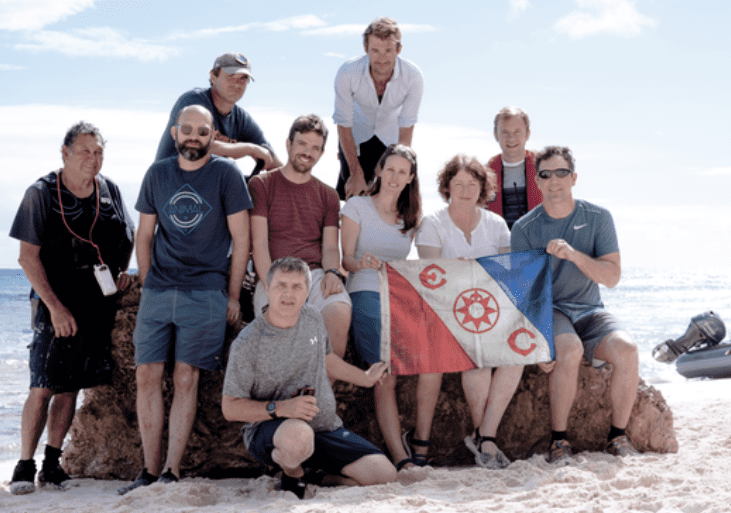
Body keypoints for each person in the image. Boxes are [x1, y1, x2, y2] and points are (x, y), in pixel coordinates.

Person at [119, 105, 253, 494]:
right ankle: (147, 469)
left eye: (202, 130)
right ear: (175, 132)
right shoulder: (158, 174)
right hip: (159, 288)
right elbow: (144, 235)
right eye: (187, 130)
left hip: (206, 289)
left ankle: (171, 471)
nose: (194, 137)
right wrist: (146, 285)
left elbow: (241, 239)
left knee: (185, 376)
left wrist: (231, 294)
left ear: (214, 135)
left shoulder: (227, 176)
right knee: (146, 375)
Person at [7, 122, 134, 494]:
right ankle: (24, 465)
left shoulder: (110, 190)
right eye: (84, 152)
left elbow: (125, 236)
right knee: (43, 385)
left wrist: (122, 271)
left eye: (98, 152)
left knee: (70, 388)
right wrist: (56, 308)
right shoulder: (41, 193)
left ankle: (52, 463)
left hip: (97, 303)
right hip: (55, 303)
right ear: (64, 153)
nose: (92, 159)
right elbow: (27, 258)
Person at [222, 257, 396, 499]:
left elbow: (328, 359)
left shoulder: (313, 317)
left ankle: (314, 475)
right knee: (298, 437)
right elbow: (230, 408)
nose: (288, 294)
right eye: (281, 285)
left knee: (384, 474)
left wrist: (365, 378)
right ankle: (292, 474)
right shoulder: (248, 343)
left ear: (307, 291)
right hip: (275, 431)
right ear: (268, 289)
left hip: (324, 427)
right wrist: (282, 408)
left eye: (297, 287)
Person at [510, 146, 640, 464]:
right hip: (552, 310)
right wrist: (539, 344)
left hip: (591, 309)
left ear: (574, 178)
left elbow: (612, 277)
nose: (554, 180)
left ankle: (617, 436)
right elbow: (524, 295)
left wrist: (574, 255)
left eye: (561, 173)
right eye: (545, 174)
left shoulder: (598, 218)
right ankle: (559, 442)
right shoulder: (524, 229)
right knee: (569, 350)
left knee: (627, 349)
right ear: (537, 182)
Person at [414, 155, 517, 469]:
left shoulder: (496, 224)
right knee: (478, 362)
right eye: (457, 183)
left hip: (489, 310)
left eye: (472, 184)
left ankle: (484, 434)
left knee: (517, 357)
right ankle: (486, 442)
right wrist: (458, 274)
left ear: (483, 187)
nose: (465, 190)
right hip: (446, 309)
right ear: (446, 187)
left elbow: (506, 273)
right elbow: (428, 275)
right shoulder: (432, 223)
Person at [340, 144, 431, 470]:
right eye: (389, 169)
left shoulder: (412, 218)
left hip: (400, 298)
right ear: (379, 170)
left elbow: (426, 263)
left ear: (410, 178)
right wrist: (360, 262)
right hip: (365, 292)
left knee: (432, 356)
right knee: (385, 373)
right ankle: (401, 456)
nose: (395, 177)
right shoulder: (357, 207)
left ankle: (421, 442)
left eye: (402, 172)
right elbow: (344, 260)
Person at [248, 115, 350, 357]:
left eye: (315, 148)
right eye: (302, 144)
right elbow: (260, 244)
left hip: (313, 274)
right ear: (288, 144)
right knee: (279, 330)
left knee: (339, 310)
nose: (307, 152)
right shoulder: (261, 185)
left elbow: (330, 248)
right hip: (274, 272)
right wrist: (272, 284)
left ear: (322, 153)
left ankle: (324, 392)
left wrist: (332, 272)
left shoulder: (328, 195)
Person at [333, 17, 424, 200]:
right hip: (354, 137)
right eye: (375, 50)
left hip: (391, 139)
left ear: (398, 49)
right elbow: (343, 124)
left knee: (389, 199)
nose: (382, 58)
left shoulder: (413, 77)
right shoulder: (347, 72)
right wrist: (355, 172)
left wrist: (396, 170)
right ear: (366, 49)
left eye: (388, 50)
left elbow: (406, 129)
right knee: (355, 196)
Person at [154, 52, 282, 173]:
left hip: (204, 186)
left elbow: (271, 158)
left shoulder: (241, 119)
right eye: (231, 77)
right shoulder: (194, 102)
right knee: (228, 165)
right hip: (169, 184)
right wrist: (251, 149)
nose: (237, 84)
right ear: (213, 77)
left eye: (243, 79)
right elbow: (200, 145)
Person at [486, 106, 541, 229]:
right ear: (496, 135)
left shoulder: (544, 168)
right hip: (500, 244)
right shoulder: (485, 174)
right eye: (505, 132)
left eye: (517, 132)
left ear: (528, 134)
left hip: (538, 243)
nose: (511, 138)